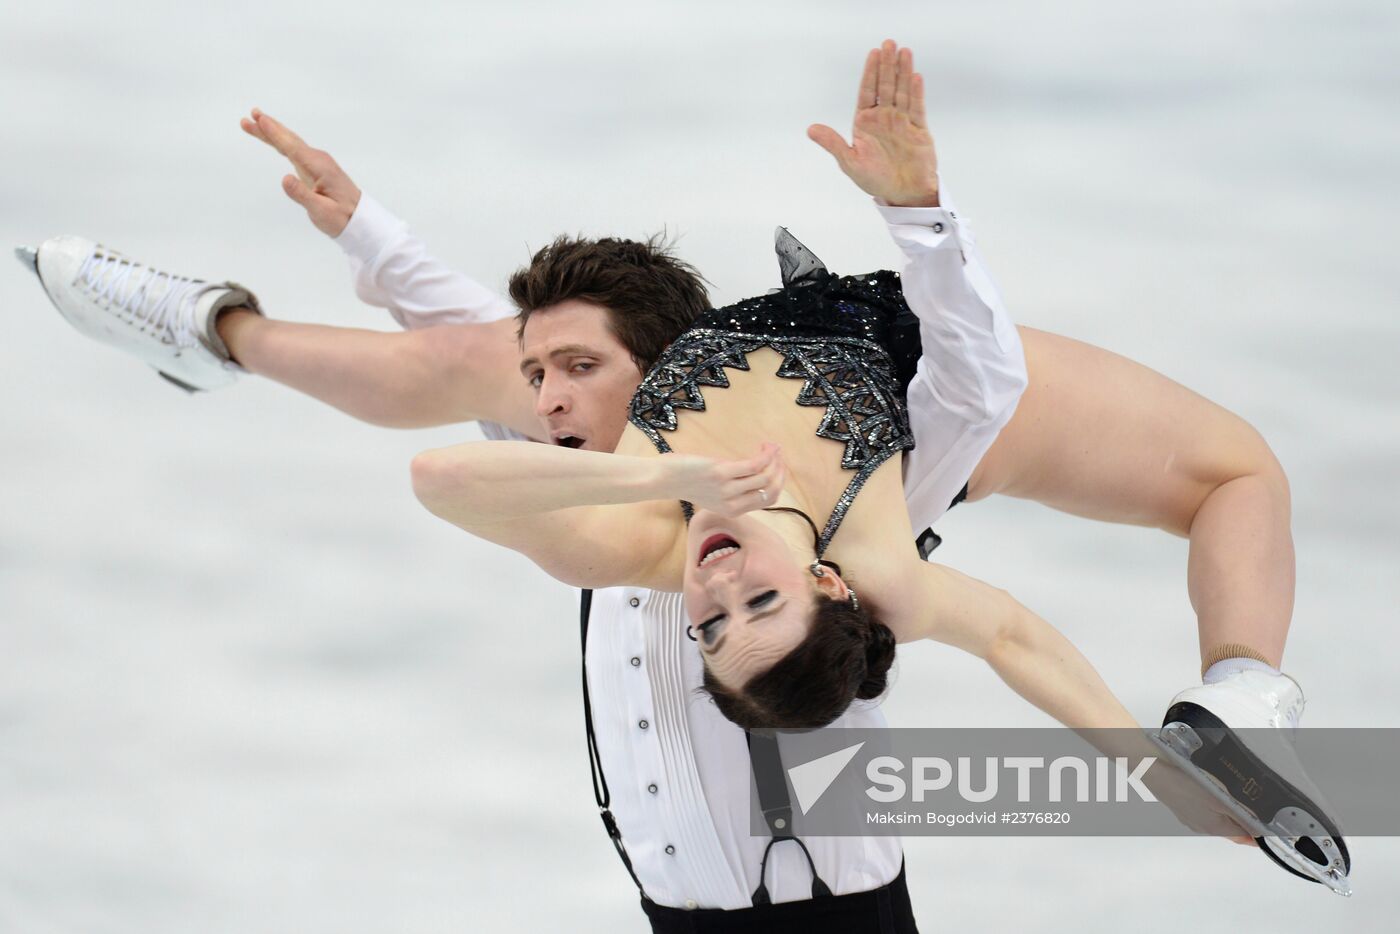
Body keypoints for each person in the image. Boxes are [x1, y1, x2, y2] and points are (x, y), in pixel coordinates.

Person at [16, 41, 1348, 923]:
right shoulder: (872, 541)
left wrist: (380, 244)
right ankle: (211, 334)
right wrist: (921, 215)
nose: (715, 595)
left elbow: (479, 427)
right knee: (510, 368)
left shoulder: (639, 529)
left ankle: (213, 336)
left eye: (711, 627)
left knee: (502, 379)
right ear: (827, 583)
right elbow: (998, 533)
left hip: (708, 872)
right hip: (807, 858)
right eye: (750, 607)